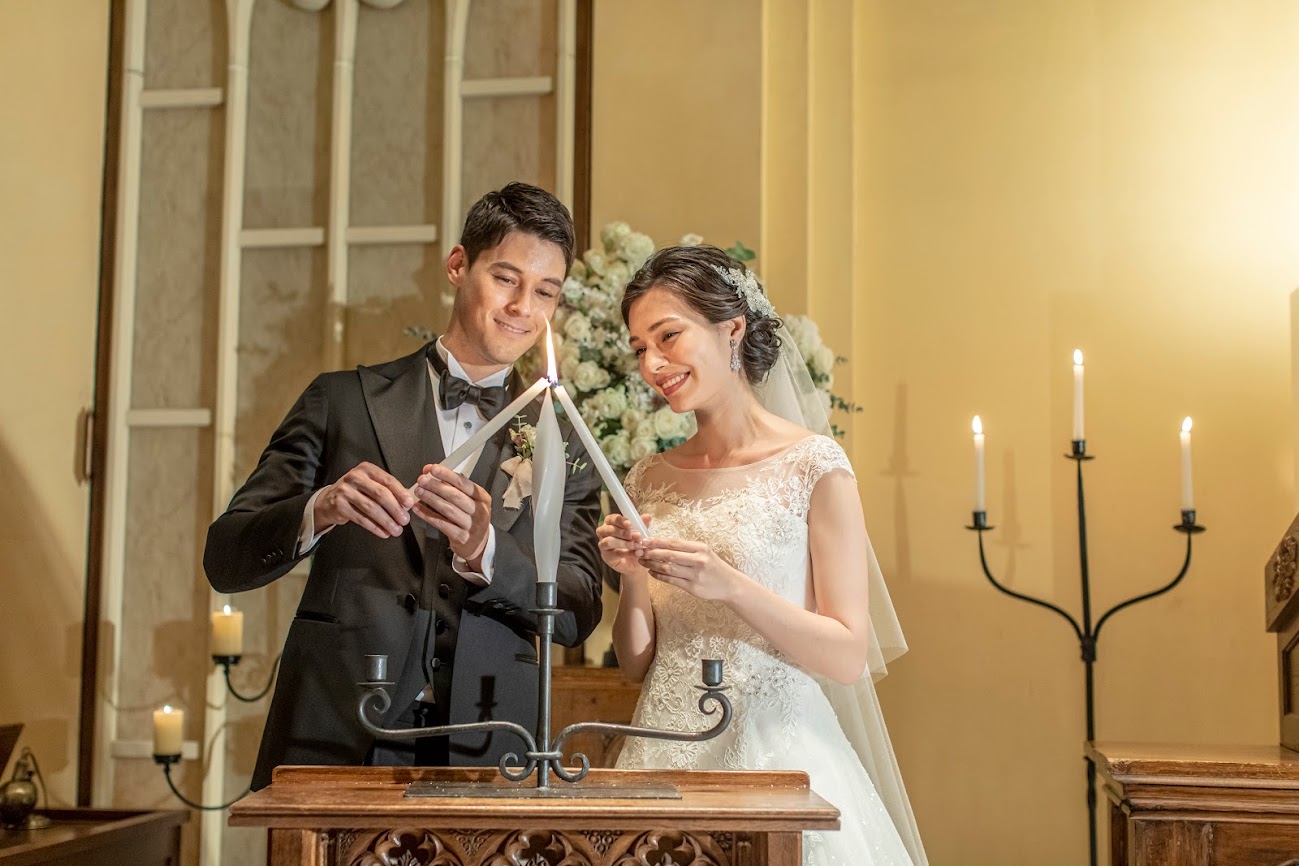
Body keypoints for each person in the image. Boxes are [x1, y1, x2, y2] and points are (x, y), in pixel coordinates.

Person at [204, 182, 604, 791]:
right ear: (457, 266)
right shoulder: (342, 400)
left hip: (492, 745)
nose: (523, 306)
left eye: (545, 291)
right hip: (338, 731)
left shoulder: (563, 437)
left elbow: (577, 609)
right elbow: (226, 559)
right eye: (506, 278)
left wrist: (485, 551)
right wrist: (320, 508)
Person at [599, 245, 926, 865]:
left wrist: (730, 586)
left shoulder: (815, 466)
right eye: (640, 348)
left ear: (732, 329)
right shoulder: (646, 477)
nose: (652, 364)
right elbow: (637, 663)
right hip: (663, 755)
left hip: (780, 755)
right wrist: (632, 577)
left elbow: (847, 654)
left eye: (668, 336)